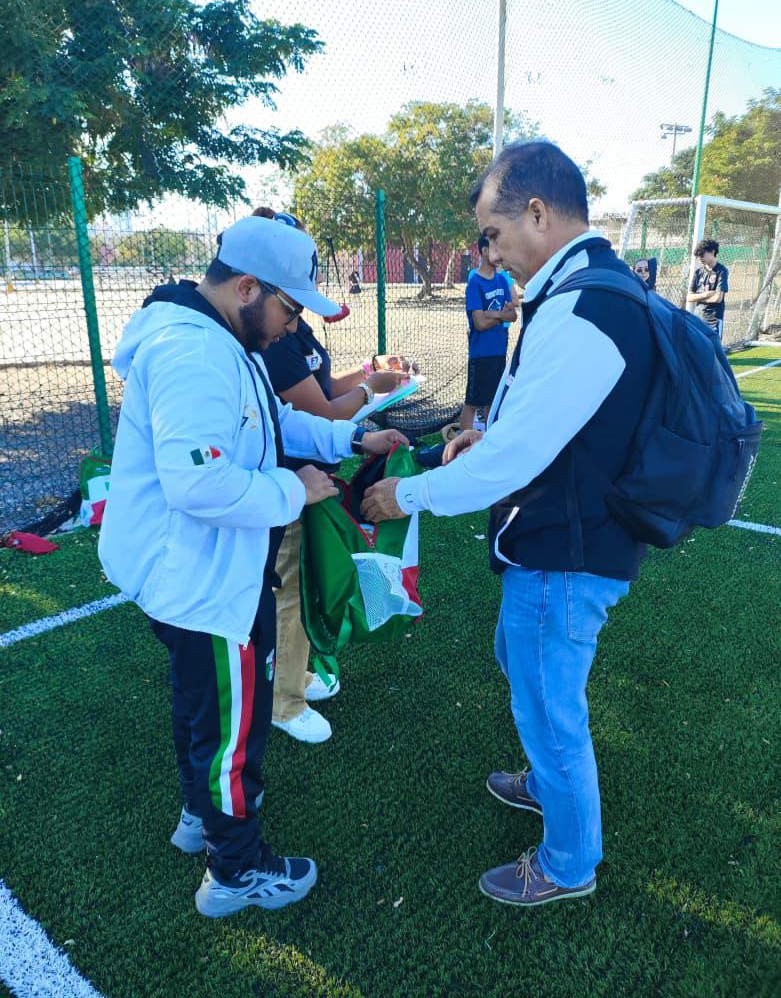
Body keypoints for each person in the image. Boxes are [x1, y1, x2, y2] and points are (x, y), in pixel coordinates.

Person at [362, 140, 657, 908]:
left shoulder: (587, 305)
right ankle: (546, 780)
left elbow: (517, 462)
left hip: (568, 548)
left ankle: (567, 864)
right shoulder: (583, 291)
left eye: (491, 234)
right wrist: (485, 434)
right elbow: (548, 429)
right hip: (563, 536)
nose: (486, 253)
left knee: (550, 703)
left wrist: (409, 496)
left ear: (536, 211)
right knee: (523, 665)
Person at [98, 215, 407, 918]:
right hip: (203, 582)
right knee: (234, 733)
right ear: (246, 288)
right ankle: (234, 873)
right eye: (289, 308)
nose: (291, 326)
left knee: (201, 709)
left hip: (196, 573)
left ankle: (199, 820)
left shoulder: (217, 338)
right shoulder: (194, 352)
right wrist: (290, 489)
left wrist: (349, 434)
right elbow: (196, 482)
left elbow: (270, 423)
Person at [258, 209, 416, 742]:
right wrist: (371, 394)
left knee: (302, 585)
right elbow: (319, 413)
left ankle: (293, 674)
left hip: (311, 479)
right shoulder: (267, 338)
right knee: (288, 591)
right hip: (289, 485)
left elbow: (317, 397)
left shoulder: (290, 324)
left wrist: (370, 377)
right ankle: (283, 701)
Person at [459, 234, 518, 432]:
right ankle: (462, 444)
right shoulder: (475, 283)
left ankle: (487, 441)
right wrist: (500, 315)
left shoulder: (502, 280)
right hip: (480, 353)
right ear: (485, 251)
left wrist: (492, 314)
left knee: (493, 399)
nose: (500, 253)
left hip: (499, 350)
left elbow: (512, 316)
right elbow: (479, 323)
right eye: (496, 248)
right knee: (473, 402)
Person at [687, 238, 729, 340]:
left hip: (713, 319)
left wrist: (698, 298)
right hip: (697, 317)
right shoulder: (698, 272)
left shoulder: (722, 271)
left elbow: (718, 299)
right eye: (698, 256)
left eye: (702, 254)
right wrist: (705, 295)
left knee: (714, 349)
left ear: (712, 251)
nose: (700, 258)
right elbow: (689, 297)